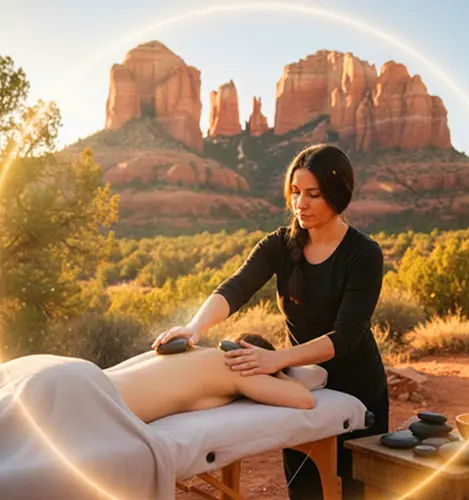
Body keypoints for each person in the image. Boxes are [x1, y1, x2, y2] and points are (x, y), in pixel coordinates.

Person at [152, 143, 389, 500]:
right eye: (295, 193)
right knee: (305, 491)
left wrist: (276, 360)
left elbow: (347, 334)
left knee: (357, 493)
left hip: (358, 387)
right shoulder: (280, 243)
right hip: (302, 384)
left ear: (338, 196)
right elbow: (236, 287)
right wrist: (195, 327)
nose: (300, 204)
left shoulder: (363, 253)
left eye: (314, 194)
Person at [105, 333, 314, 424]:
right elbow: (304, 399)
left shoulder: (186, 350)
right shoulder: (238, 366)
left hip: (92, 380)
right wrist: (275, 367)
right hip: (106, 407)